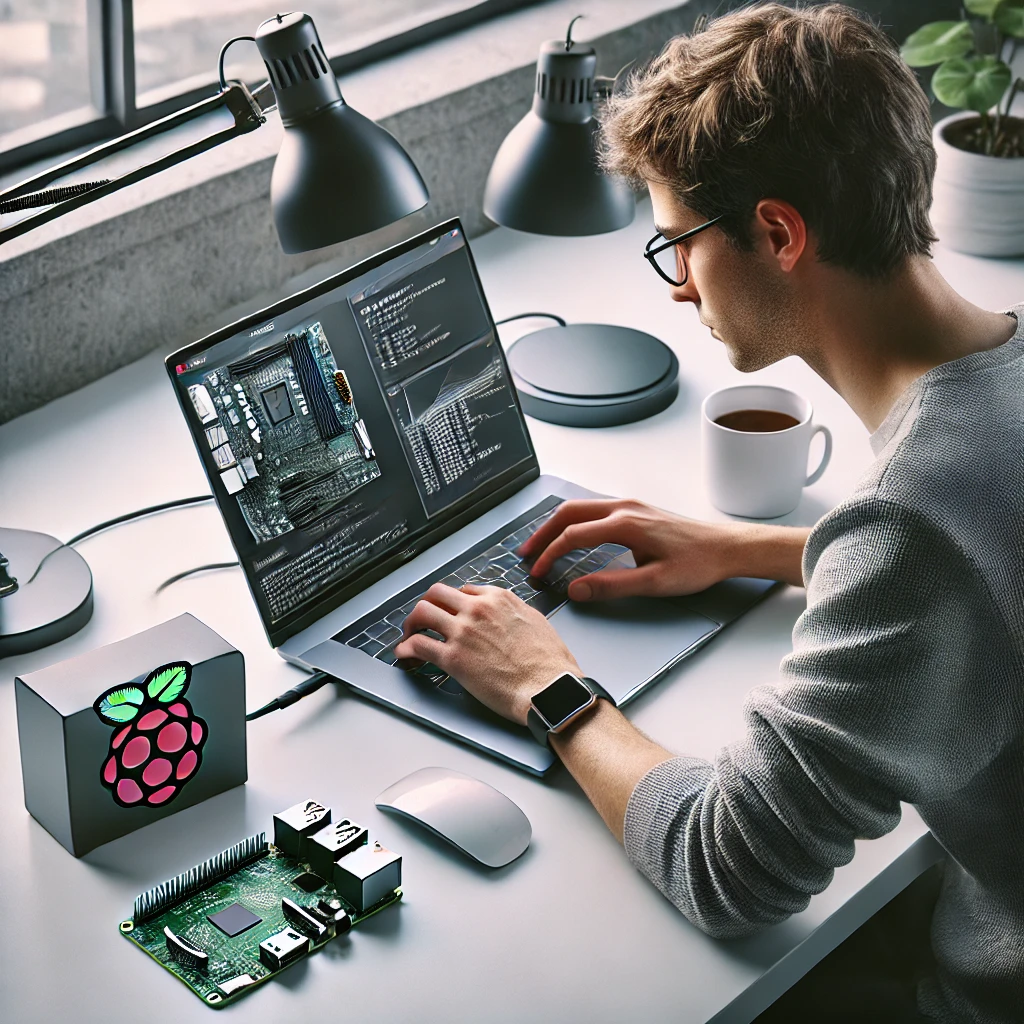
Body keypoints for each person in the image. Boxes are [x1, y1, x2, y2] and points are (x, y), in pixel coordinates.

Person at [394, 4, 1024, 1021]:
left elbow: (726, 867)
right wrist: (767, 548)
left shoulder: (912, 527)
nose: (678, 287)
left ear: (776, 233)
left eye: (678, 245)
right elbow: (988, 569)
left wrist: (549, 686)